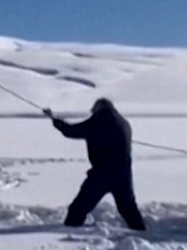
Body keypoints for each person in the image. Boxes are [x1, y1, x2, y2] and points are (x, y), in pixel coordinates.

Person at [46, 98, 147, 231]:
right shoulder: (124, 123)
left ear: (98, 108)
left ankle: (70, 232)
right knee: (128, 210)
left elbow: (71, 131)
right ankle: (141, 232)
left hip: (102, 174)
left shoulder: (99, 120)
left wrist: (54, 120)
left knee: (78, 209)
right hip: (123, 175)